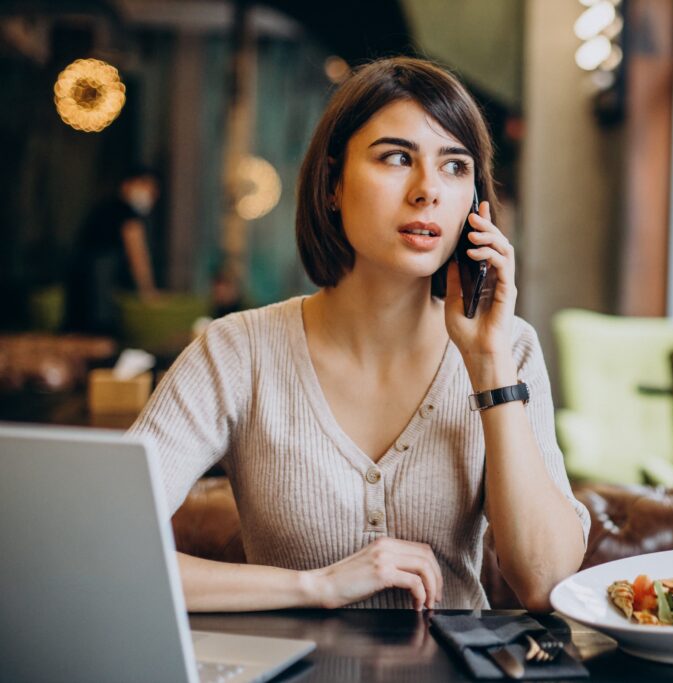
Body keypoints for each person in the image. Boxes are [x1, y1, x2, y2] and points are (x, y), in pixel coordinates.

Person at [128, 57, 590, 612]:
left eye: (455, 166)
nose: (428, 191)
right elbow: (102, 545)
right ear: (332, 184)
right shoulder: (237, 352)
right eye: (397, 158)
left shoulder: (510, 347)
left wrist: (488, 364)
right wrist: (316, 586)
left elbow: (544, 581)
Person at [64, 166, 160, 334]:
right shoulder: (126, 212)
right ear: (126, 185)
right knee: (97, 332)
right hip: (96, 282)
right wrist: (148, 292)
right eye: (144, 185)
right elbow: (137, 255)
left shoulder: (107, 207)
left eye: (153, 188)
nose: (150, 192)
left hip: (84, 279)